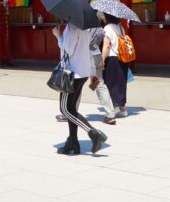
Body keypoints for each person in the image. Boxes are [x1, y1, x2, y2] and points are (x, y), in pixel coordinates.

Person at [52, 21, 107, 155]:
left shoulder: (72, 27)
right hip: (82, 71)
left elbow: (67, 49)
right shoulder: (86, 27)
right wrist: (95, 72)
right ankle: (73, 142)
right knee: (71, 109)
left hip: (71, 73)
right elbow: (92, 49)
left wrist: (58, 35)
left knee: (65, 109)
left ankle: (93, 133)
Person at [99, 13, 129, 117]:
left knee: (111, 84)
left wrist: (102, 60)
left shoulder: (107, 28)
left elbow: (106, 46)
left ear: (107, 17)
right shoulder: (121, 28)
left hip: (112, 59)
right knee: (121, 83)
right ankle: (123, 108)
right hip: (122, 58)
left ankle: (113, 108)